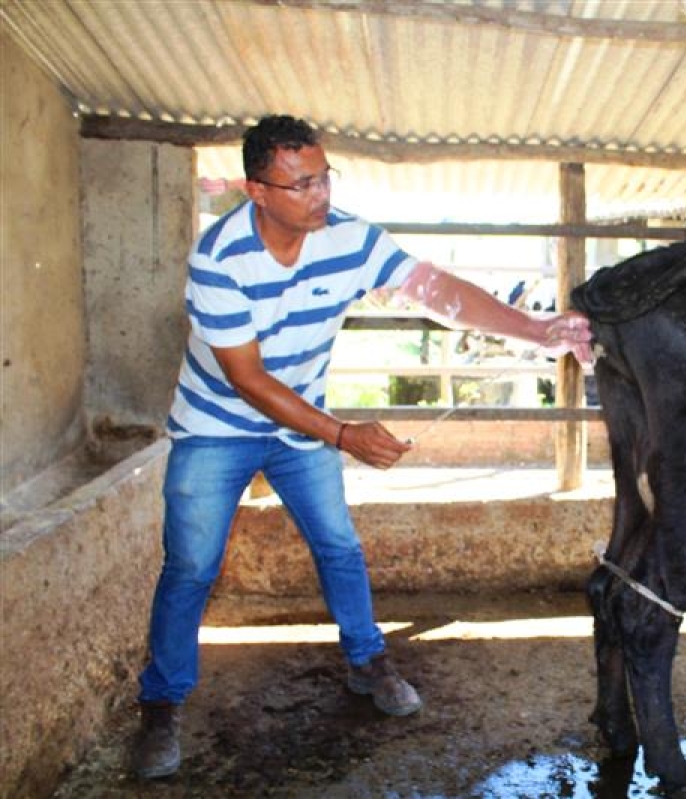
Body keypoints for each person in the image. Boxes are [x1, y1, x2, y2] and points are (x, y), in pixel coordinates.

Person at [132, 115, 592, 780]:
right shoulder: (217, 258)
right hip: (216, 426)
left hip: (302, 426)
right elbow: (249, 379)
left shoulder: (348, 237)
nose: (319, 195)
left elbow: (436, 289)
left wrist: (534, 329)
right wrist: (343, 434)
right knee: (191, 566)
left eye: (323, 177)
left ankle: (367, 659)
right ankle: (162, 703)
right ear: (256, 190)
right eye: (301, 185)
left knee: (339, 545)